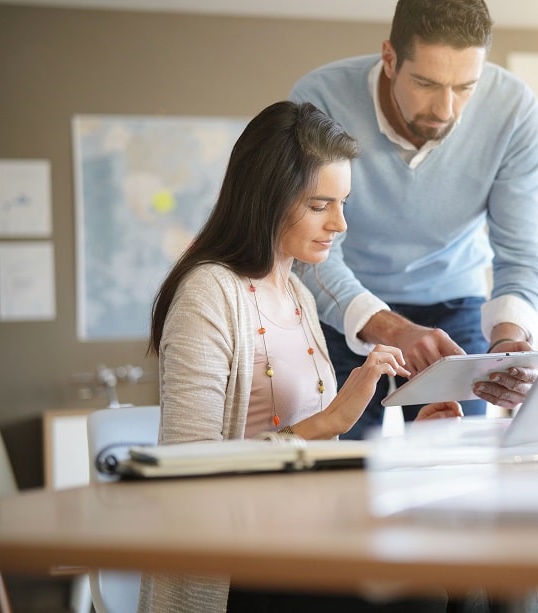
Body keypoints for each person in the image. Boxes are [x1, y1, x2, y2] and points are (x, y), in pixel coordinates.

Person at [139, 100, 461, 613]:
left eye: (344, 203)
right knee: (422, 599)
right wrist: (331, 420)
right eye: (319, 205)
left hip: (306, 532)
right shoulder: (209, 295)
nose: (340, 224)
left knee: (484, 573)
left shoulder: (299, 296)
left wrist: (405, 451)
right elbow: (185, 476)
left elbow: (310, 463)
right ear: (266, 198)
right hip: (240, 562)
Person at [290, 0, 538, 440]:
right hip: (342, 307)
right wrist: (390, 326)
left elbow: (522, 253)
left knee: (456, 467)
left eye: (466, 86)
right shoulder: (319, 100)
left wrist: (507, 344)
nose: (446, 109)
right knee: (335, 459)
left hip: (453, 305)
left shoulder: (515, 111)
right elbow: (303, 245)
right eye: (426, 83)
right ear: (389, 59)